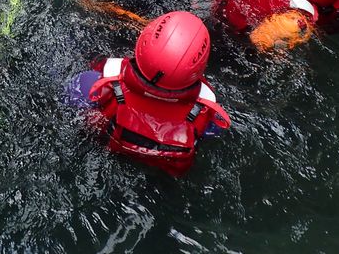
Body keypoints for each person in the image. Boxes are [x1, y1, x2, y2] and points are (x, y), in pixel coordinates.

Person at [64, 11, 230, 176]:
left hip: (107, 152)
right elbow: (210, 135)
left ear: (142, 42)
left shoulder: (99, 83)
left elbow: (69, 99)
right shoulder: (207, 114)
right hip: (161, 172)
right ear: (200, 67)